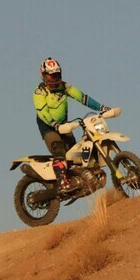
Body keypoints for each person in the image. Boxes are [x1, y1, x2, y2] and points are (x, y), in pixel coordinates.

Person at [33, 57, 109, 194]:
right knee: (60, 150)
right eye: (50, 75)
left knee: (75, 154)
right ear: (44, 75)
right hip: (48, 126)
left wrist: (102, 107)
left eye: (56, 74)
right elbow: (43, 112)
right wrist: (54, 125)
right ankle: (62, 183)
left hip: (63, 125)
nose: (54, 78)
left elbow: (82, 98)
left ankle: (79, 178)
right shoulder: (39, 92)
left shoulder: (65, 87)